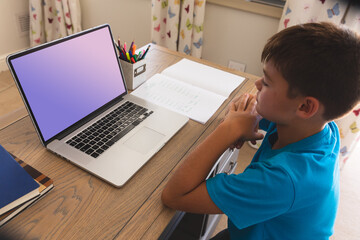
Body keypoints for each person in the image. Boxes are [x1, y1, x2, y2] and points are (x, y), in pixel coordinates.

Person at [161, 22, 360, 239]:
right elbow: (246, 105)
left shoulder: (281, 180)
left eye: (266, 82)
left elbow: (174, 196)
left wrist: (229, 129)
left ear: (304, 106)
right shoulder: (319, 126)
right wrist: (244, 116)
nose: (256, 84)